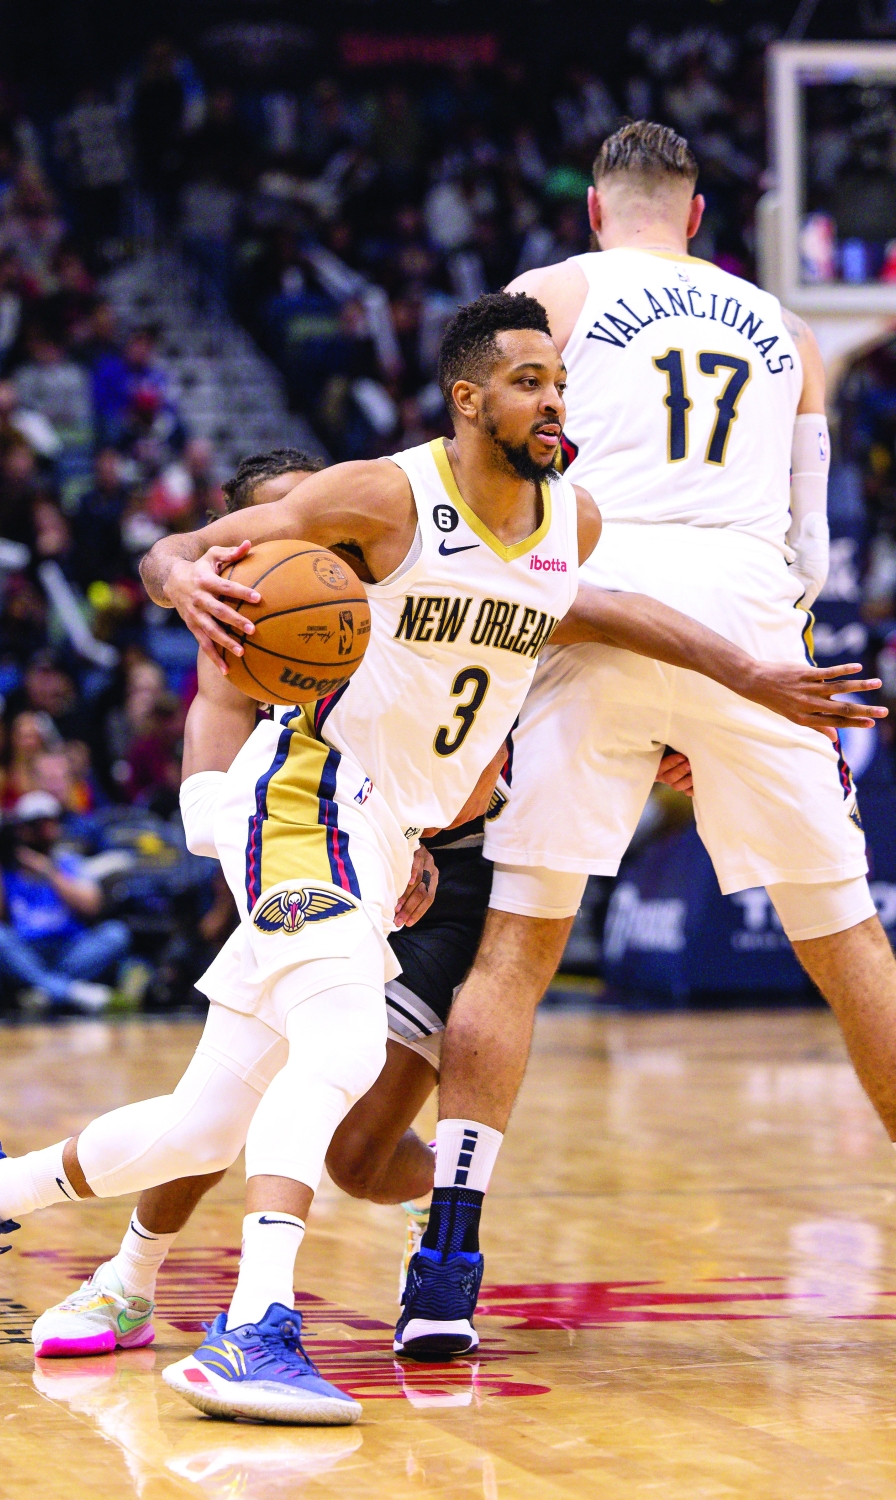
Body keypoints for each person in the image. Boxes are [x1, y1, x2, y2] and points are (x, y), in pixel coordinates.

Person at [0, 295, 880, 1422]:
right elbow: (181, 548)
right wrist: (177, 579)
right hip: (306, 796)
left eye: (558, 380)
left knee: (202, 1127)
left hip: (389, 837)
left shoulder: (575, 524)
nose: (552, 398)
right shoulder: (386, 493)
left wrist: (747, 677)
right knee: (343, 1042)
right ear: (468, 401)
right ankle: (252, 1329)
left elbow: (610, 616)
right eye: (526, 381)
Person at [388, 117, 896, 1360]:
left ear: (596, 212)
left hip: (596, 602)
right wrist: (742, 681)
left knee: (517, 953)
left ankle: (447, 1263)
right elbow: (815, 541)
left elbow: (491, 472)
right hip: (748, 619)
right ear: (700, 216)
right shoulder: (785, 329)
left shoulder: (551, 297)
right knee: (850, 951)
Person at [0, 789, 131, 1013]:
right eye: (35, 825)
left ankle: (44, 991)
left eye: (49, 823)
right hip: (26, 949)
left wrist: (47, 870)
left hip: (70, 949)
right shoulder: (1, 870)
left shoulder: (68, 862)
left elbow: (93, 905)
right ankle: (71, 993)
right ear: (22, 829)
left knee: (116, 933)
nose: (44, 831)